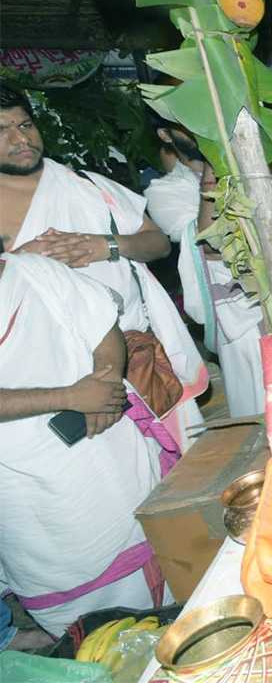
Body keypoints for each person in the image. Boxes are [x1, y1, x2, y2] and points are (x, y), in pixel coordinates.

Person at [0, 81, 206, 447]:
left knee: (184, 470)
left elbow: (158, 244)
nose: (20, 139)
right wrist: (24, 260)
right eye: (3, 130)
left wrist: (108, 245)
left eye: (25, 125)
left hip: (135, 358)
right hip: (50, 379)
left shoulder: (86, 186)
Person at [0, 251, 170, 638]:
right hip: (29, 498)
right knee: (96, 642)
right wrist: (69, 397)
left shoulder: (32, 270)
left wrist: (107, 383)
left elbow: (102, 326)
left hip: (106, 459)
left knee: (172, 585)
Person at [142, 115, 265, 419]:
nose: (198, 124)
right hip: (238, 312)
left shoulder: (250, 169)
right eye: (183, 120)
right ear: (165, 134)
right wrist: (213, 166)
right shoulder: (164, 191)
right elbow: (210, 243)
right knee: (260, 404)